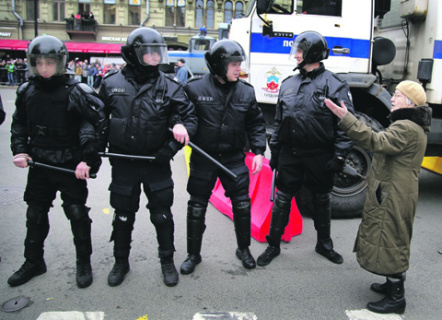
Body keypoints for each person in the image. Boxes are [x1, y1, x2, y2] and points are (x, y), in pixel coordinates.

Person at [99, 27, 197, 288]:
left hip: (156, 163)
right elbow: (96, 122)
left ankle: (167, 261)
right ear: (134, 54)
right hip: (124, 163)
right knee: (122, 215)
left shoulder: (170, 85)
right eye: (149, 53)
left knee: (162, 215)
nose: (155, 58)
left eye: (158, 53)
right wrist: (91, 153)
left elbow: (189, 118)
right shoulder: (111, 84)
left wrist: (172, 144)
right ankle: (121, 261)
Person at [8, 35, 108, 288]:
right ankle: (33, 261)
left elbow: (97, 126)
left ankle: (83, 262)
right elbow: (19, 124)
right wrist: (20, 150)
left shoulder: (77, 92)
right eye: (39, 62)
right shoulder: (27, 90)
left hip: (69, 163)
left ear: (59, 63)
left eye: (49, 63)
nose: (44, 68)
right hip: (39, 163)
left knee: (76, 213)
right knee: (35, 214)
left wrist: (88, 161)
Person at [324, 80, 432, 314]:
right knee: (391, 237)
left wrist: (346, 118)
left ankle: (396, 297)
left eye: (398, 95)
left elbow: (376, 141)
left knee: (391, 239)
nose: (392, 99)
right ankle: (391, 284)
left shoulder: (406, 128)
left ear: (410, 103)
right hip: (397, 191)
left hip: (395, 194)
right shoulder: (410, 125)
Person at [257, 30, 355, 267]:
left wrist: (340, 155)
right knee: (282, 199)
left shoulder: (334, 84)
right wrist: (276, 152)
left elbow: (346, 122)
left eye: (299, 51)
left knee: (321, 199)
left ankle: (324, 244)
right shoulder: (288, 84)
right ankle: (273, 245)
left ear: (312, 52)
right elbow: (279, 121)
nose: (295, 56)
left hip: (319, 155)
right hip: (290, 155)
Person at [179, 39, 267, 275]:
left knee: (242, 205)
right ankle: (193, 254)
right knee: (196, 206)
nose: (239, 68)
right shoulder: (194, 89)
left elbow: (256, 124)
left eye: (240, 63)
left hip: (233, 158)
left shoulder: (246, 91)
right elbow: (179, 116)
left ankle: (244, 249)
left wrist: (259, 151)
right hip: (203, 157)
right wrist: (179, 127)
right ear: (219, 65)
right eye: (234, 64)